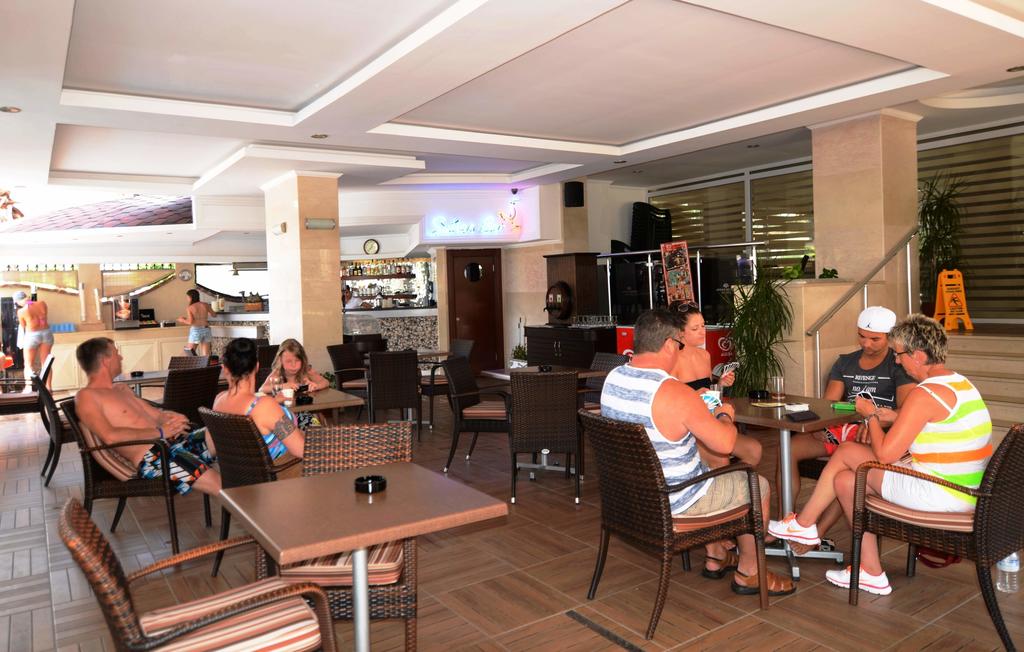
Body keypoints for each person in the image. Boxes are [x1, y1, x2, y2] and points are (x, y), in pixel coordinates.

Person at [769, 314, 992, 596]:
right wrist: (896, 415)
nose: (896, 361)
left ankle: (803, 524)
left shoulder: (924, 394)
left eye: (899, 354)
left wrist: (871, 414)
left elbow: (885, 455)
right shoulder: (959, 383)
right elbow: (938, 422)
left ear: (918, 355)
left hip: (940, 493)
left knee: (847, 451)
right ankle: (871, 571)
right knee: (845, 481)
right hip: (964, 490)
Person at [601, 309, 794, 595]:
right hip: (675, 500)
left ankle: (717, 553)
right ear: (669, 345)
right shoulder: (672, 391)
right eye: (679, 345)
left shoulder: (613, 378)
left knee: (717, 468)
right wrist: (725, 414)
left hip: (629, 499)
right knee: (757, 486)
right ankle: (750, 572)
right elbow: (725, 443)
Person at [779, 306, 915, 541]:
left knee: (847, 467)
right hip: (841, 430)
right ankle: (786, 519)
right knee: (788, 449)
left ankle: (818, 532)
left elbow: (905, 411)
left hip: (875, 436)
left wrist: (874, 423)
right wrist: (821, 424)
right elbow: (828, 404)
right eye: (862, 336)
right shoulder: (845, 363)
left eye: (875, 339)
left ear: (890, 337)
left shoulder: (899, 365)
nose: (866, 343)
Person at [73, 337, 221, 496]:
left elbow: (155, 414)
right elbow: (110, 436)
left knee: (223, 433)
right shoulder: (87, 396)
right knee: (220, 485)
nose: (121, 357)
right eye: (116, 353)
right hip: (155, 457)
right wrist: (161, 432)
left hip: (175, 442)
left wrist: (171, 418)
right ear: (105, 360)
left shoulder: (121, 388)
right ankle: (237, 502)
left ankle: (239, 483)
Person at [669, 302, 761, 468]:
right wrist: (694, 395)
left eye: (703, 325)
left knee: (754, 449)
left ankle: (733, 481)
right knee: (721, 458)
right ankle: (719, 480)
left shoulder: (704, 355)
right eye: (695, 328)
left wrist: (721, 384)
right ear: (679, 332)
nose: (702, 331)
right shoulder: (672, 360)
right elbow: (670, 403)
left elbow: (711, 396)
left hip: (709, 421)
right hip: (688, 429)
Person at [215, 337, 305, 459]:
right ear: (257, 366)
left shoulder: (218, 400)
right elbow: (301, 449)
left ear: (225, 369)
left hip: (235, 468)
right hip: (281, 467)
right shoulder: (265, 407)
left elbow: (212, 448)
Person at [258, 338, 329, 431]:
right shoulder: (278, 373)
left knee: (313, 426)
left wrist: (315, 386)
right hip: (284, 415)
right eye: (288, 361)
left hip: (304, 413)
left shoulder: (306, 371)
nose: (293, 365)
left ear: (303, 360)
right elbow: (262, 389)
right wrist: (282, 386)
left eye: (297, 360)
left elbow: (325, 382)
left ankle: (314, 436)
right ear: (280, 360)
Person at [14, 290, 53, 389]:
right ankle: (49, 388)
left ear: (18, 301)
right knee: (46, 363)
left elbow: (23, 325)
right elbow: (44, 317)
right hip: (46, 333)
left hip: (32, 335)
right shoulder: (42, 303)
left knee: (28, 364)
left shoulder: (21, 311)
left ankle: (28, 388)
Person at [177, 289, 215, 357]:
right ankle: (204, 364)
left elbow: (190, 322)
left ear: (190, 297)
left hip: (196, 330)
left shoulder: (190, 308)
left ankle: (177, 363)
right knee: (206, 355)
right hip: (206, 329)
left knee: (188, 352)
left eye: (187, 297)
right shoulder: (206, 305)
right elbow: (214, 315)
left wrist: (182, 320)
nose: (187, 299)